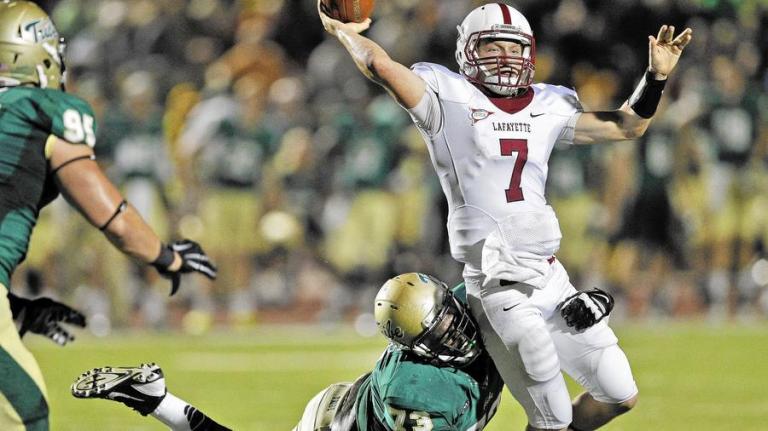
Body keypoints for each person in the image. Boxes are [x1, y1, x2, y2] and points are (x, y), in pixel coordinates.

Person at [318, 2, 693, 430]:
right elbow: (380, 66)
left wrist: (656, 76)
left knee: (620, 394)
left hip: (549, 275)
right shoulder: (447, 99)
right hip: (497, 285)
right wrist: (344, 31)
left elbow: (628, 125)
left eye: (515, 48)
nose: (506, 57)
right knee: (552, 418)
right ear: (466, 51)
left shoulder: (549, 104)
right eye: (492, 46)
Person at [0, 2, 217, 429]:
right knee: (27, 414)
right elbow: (112, 216)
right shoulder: (43, 109)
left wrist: (17, 309)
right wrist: (166, 257)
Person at [71, 273, 505, 431]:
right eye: (437, 332)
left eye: (450, 316)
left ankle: (153, 397)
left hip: (356, 401)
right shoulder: (416, 391)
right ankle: (154, 399)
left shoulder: (470, 302)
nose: (454, 332)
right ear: (412, 346)